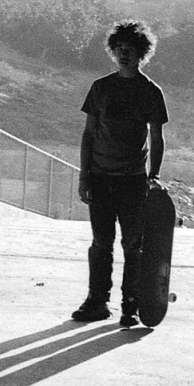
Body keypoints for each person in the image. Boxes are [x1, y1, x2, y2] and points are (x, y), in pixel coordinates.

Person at [73, 20, 168, 328]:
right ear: (112, 52)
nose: (123, 55)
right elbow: (88, 134)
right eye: (118, 49)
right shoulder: (100, 88)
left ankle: (131, 304)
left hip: (132, 181)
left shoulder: (151, 92)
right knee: (101, 243)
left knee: (133, 245)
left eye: (129, 50)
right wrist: (84, 175)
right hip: (100, 177)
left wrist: (153, 176)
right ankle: (96, 302)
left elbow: (156, 137)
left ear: (142, 53)